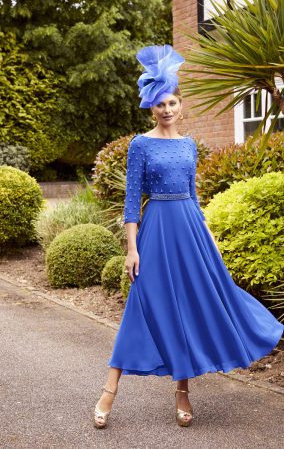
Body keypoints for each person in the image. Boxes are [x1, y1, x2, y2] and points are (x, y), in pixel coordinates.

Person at [93, 44, 284, 429]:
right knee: (143, 307)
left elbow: (195, 197)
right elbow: (132, 201)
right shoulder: (140, 145)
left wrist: (209, 237)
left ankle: (182, 393)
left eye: (173, 102)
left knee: (189, 308)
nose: (167, 109)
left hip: (190, 231)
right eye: (160, 103)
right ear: (152, 107)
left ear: (181, 106)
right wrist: (132, 249)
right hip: (156, 232)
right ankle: (108, 393)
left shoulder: (189, 145)